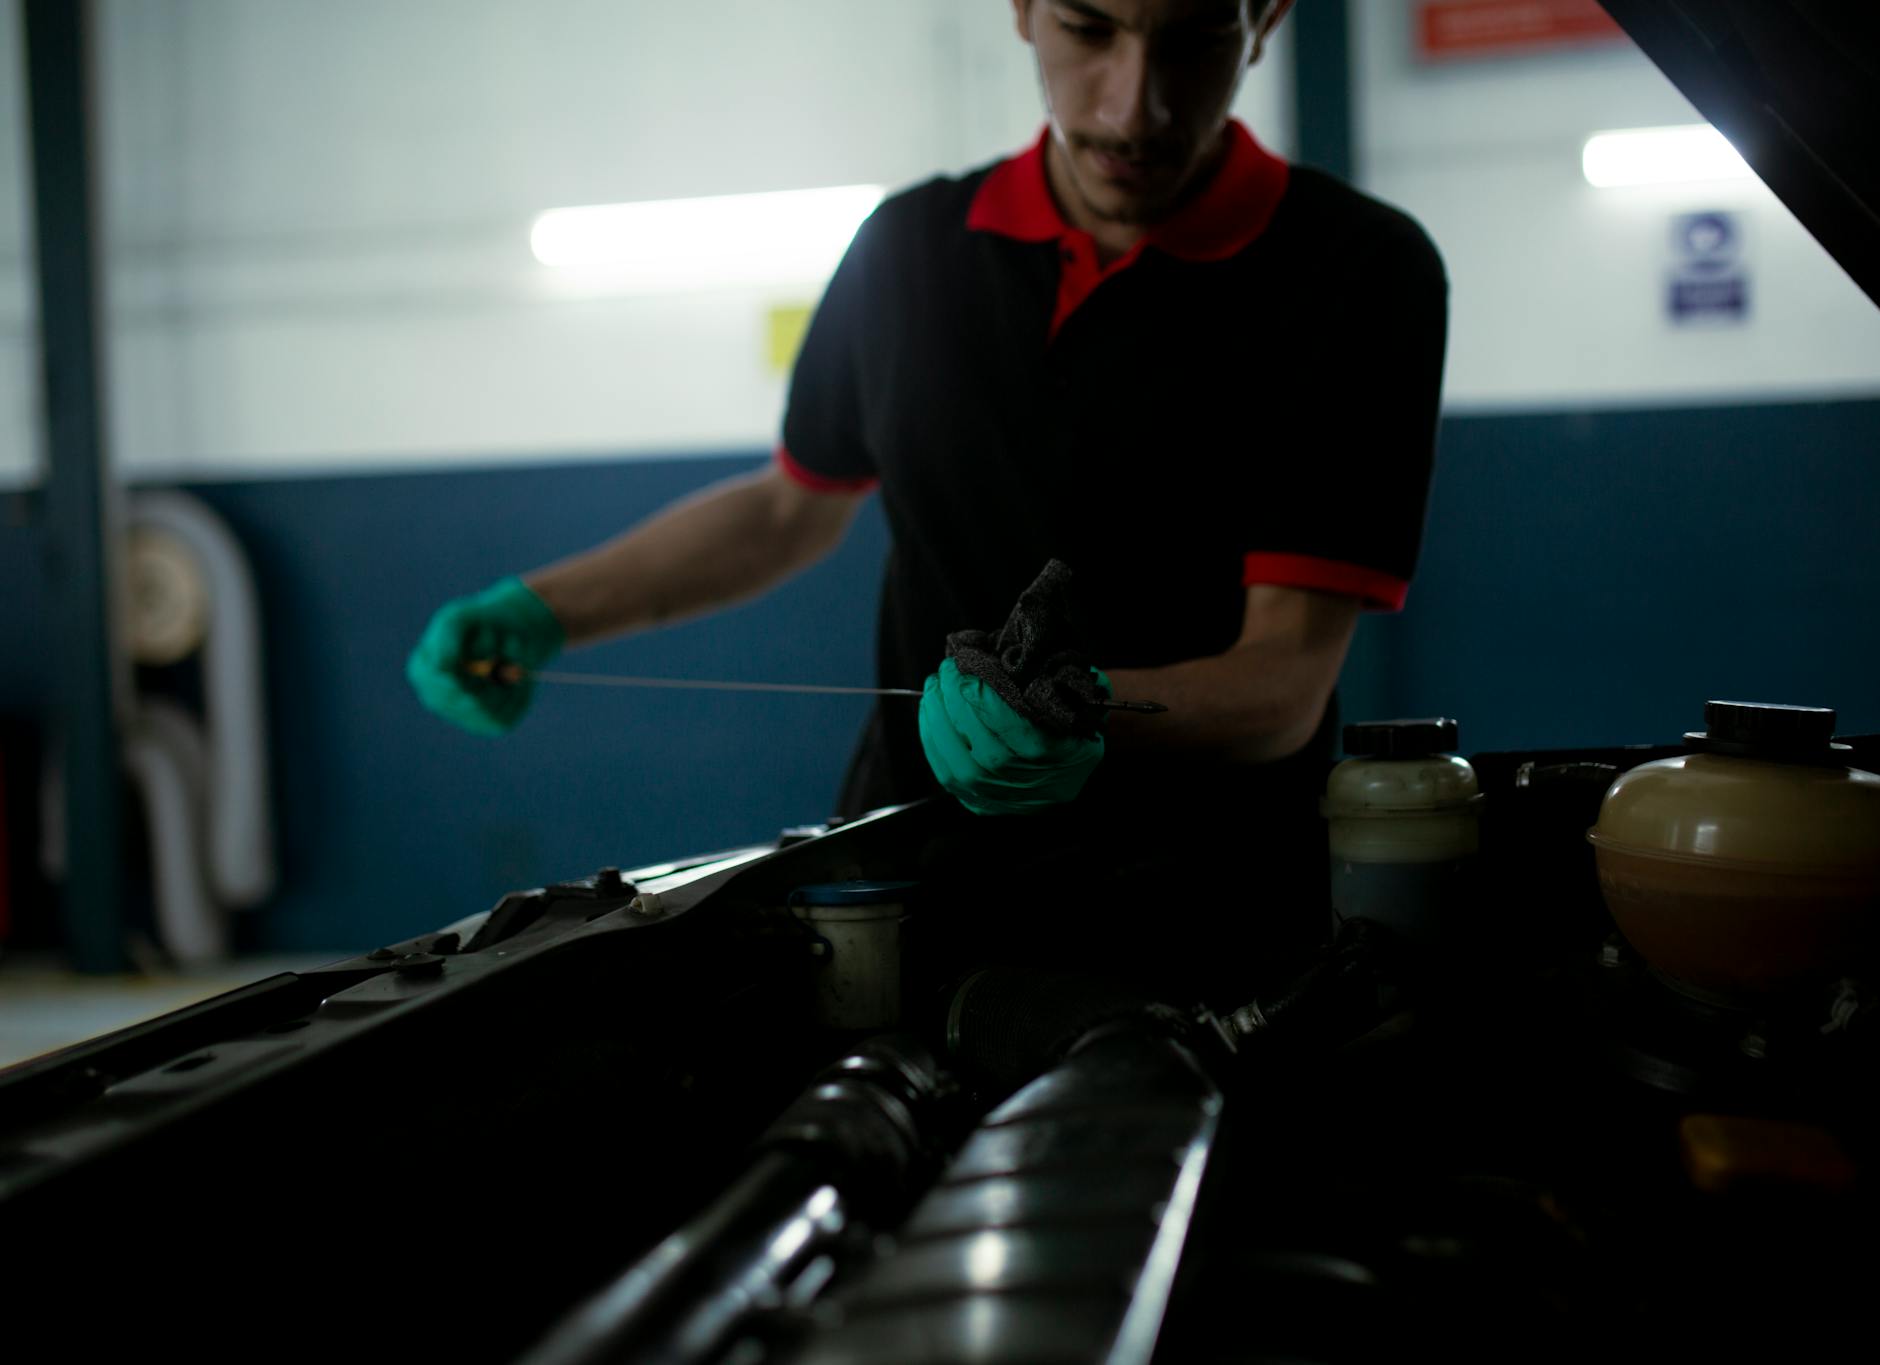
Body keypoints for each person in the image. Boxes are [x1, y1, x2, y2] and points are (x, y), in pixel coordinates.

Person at [408, 0, 1447, 999]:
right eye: (1089, 28)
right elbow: (786, 511)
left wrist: (1078, 718)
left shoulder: (1355, 269)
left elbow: (1279, 682)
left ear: (1263, 21)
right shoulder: (907, 247)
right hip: (902, 898)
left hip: (1208, 924)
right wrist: (545, 610)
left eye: (1191, 38)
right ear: (1021, 6)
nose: (1133, 107)